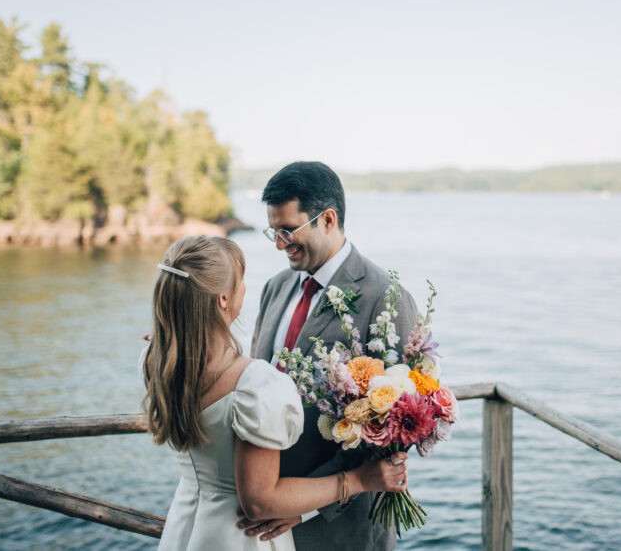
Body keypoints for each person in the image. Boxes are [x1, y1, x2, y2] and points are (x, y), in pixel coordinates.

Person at [143, 235, 409, 551]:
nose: (245, 287)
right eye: (239, 281)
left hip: (186, 526)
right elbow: (259, 502)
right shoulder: (253, 384)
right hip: (242, 537)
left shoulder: (154, 360)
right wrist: (360, 480)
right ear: (223, 300)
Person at [245, 162, 418, 551]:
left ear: (327, 219)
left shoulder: (386, 299)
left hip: (340, 525)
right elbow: (256, 378)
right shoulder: (275, 287)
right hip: (265, 515)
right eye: (273, 231)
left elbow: (392, 433)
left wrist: (306, 506)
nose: (278, 243)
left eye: (287, 230)